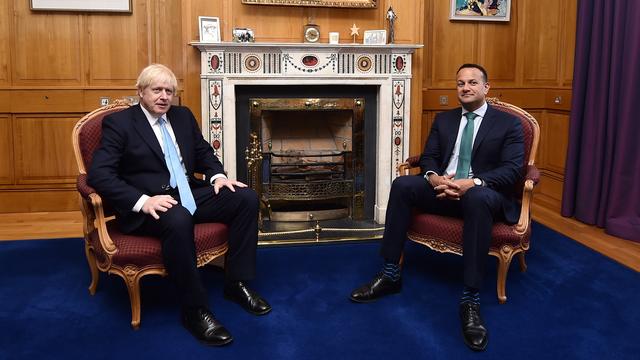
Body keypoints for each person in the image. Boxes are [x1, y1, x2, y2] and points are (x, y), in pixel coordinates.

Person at [88, 64, 271, 346]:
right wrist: (142, 201)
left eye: (169, 91)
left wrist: (218, 177)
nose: (164, 96)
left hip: (188, 193)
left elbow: (203, 153)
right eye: (156, 90)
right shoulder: (121, 124)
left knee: (245, 198)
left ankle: (236, 283)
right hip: (150, 204)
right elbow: (99, 174)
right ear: (140, 92)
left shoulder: (182, 116)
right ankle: (194, 309)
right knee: (178, 217)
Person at [349, 64, 524, 352]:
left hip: (483, 193)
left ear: (485, 88)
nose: (465, 88)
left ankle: (471, 298)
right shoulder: (445, 120)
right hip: (443, 188)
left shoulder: (508, 124)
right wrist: (434, 178)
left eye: (472, 83)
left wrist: (474, 182)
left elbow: (513, 170)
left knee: (478, 198)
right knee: (403, 185)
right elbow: (429, 157)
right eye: (460, 83)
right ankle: (391, 273)